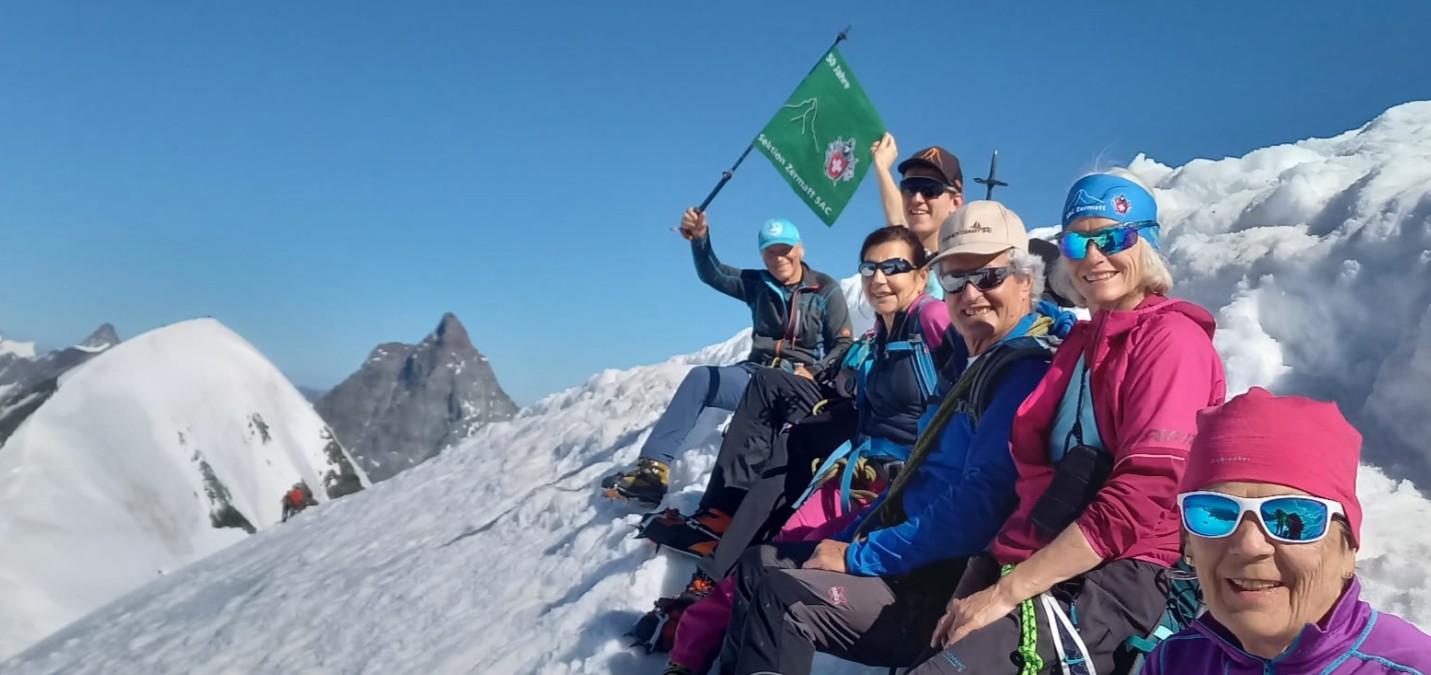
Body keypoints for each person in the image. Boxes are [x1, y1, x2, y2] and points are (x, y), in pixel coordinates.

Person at [718, 201, 1077, 675]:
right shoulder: (970, 364)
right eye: (955, 279)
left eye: (989, 276)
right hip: (909, 551)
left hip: (936, 582)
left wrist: (858, 555)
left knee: (782, 598)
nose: (970, 293)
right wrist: (844, 541)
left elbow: (980, 505)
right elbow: (921, 481)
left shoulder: (1020, 373)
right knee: (759, 563)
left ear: (1026, 280)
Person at [908, 170, 1229, 674]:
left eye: (1113, 239)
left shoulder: (1172, 342)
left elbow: (1142, 494)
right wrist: (982, 572)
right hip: (1050, 560)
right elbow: (1040, 484)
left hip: (1130, 572)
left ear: (1147, 243)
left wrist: (1006, 593)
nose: (1094, 256)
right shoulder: (1080, 345)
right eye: (1078, 242)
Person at [647, 226, 956, 675]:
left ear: (921, 274)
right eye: (870, 267)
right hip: (857, 474)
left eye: (894, 267)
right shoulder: (878, 336)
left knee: (789, 563)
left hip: (902, 486)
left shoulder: (932, 317)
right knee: (763, 559)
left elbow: (971, 376)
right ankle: (688, 655)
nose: (879, 278)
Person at [1140, 387, 1431, 673]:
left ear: (1349, 549)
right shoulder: (1173, 662)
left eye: (1294, 519)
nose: (1248, 545)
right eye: (1215, 513)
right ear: (1189, 545)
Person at [602, 208, 854, 504]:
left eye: (785, 249)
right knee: (700, 378)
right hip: (755, 374)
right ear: (762, 256)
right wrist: (700, 239)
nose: (778, 258)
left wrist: (814, 371)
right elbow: (714, 273)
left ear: (800, 249)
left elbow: (843, 343)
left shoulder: (825, 289)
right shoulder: (758, 284)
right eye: (770, 252)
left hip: (797, 382)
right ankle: (652, 473)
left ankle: (738, 499)